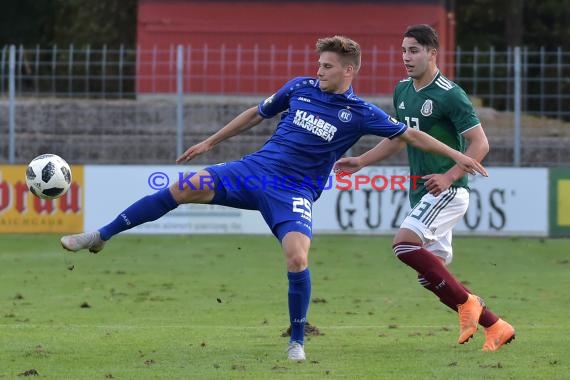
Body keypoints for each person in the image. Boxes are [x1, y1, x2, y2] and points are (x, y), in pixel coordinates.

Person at [60, 35, 487, 361]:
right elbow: (254, 114)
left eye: (327, 66)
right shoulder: (299, 88)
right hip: (253, 171)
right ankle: (101, 234)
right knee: (179, 187)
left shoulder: (360, 114)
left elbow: (411, 135)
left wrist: (459, 158)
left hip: (293, 191)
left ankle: (297, 341)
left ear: (348, 71)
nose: (318, 71)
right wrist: (210, 142)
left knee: (297, 259)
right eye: (318, 64)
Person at [334, 25, 515, 351]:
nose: (406, 57)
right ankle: (496, 326)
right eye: (404, 50)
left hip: (448, 190)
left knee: (404, 244)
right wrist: (362, 160)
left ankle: (469, 305)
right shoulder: (403, 90)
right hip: (423, 192)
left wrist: (448, 176)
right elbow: (399, 139)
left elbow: (480, 143)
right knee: (429, 274)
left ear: (433, 53)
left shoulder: (450, 94)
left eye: (414, 50)